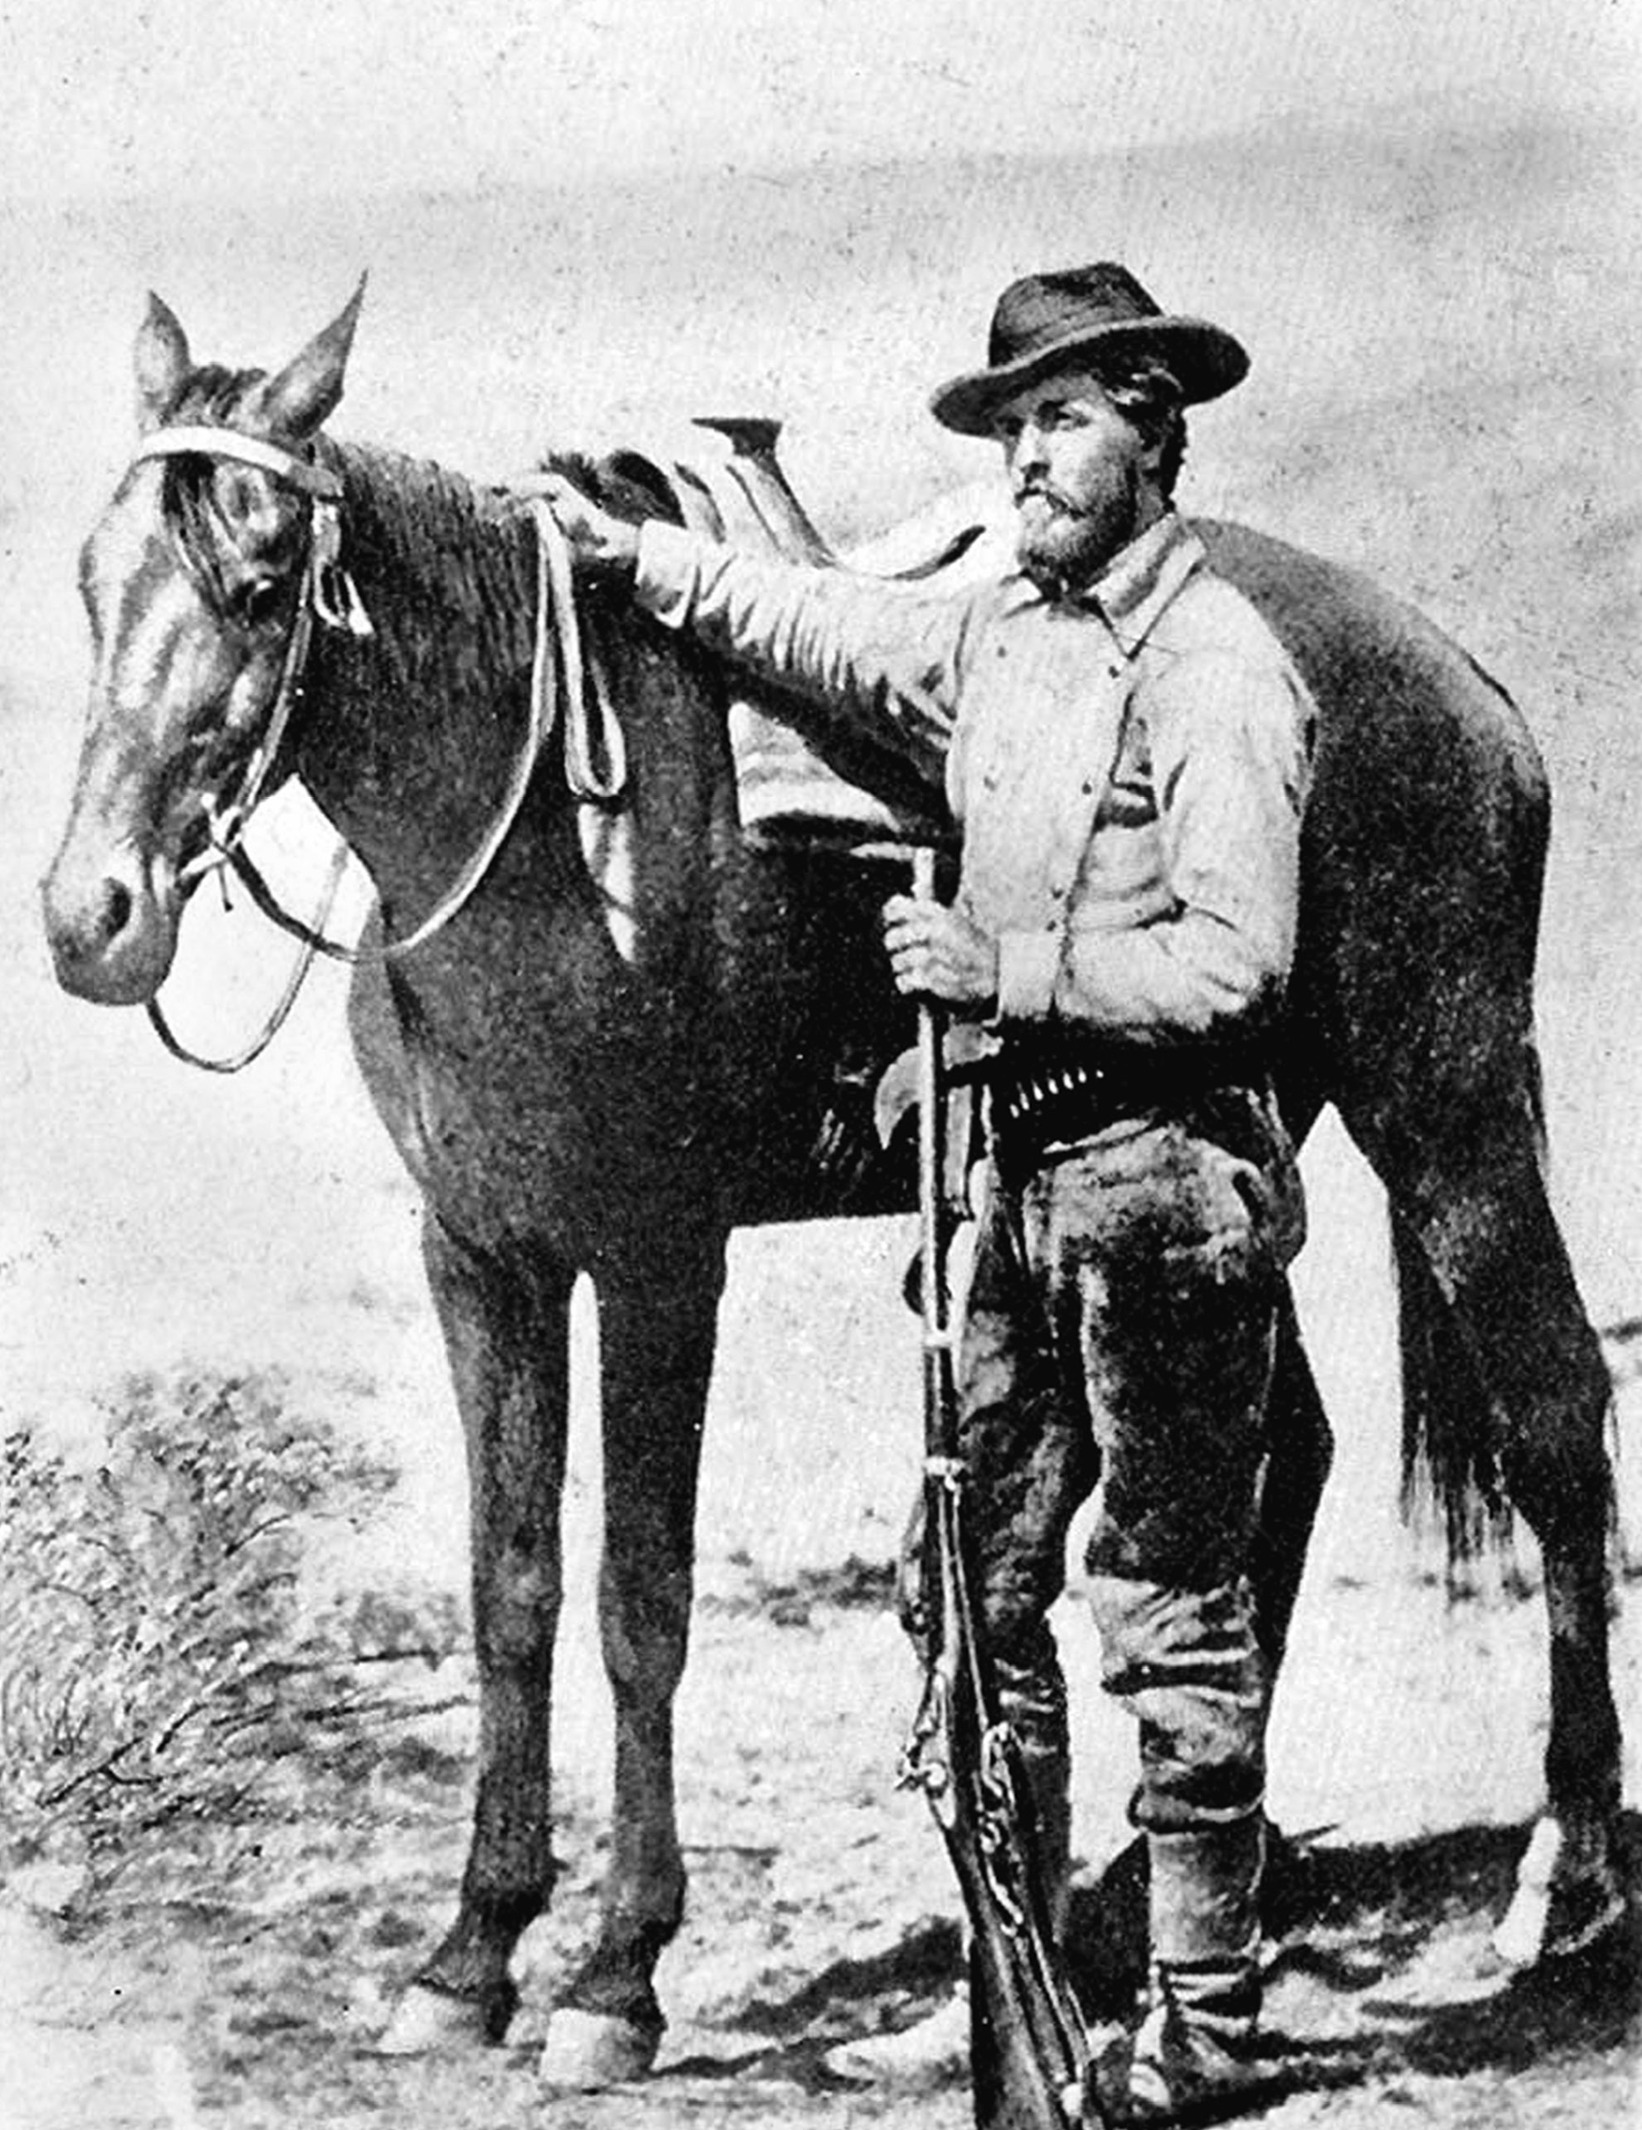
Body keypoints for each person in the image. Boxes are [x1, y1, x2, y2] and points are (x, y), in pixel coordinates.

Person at [540, 261, 1316, 2128]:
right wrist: (632, 560)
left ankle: (1205, 2027)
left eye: (1064, 419)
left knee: (1169, 1608)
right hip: (1015, 1191)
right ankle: (1027, 1995)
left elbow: (1236, 965)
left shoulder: (1220, 667)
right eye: (1011, 425)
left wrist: (995, 975)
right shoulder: (999, 637)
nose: (1029, 457)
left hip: (1164, 1185)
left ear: (1153, 425)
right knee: (963, 1596)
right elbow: (800, 620)